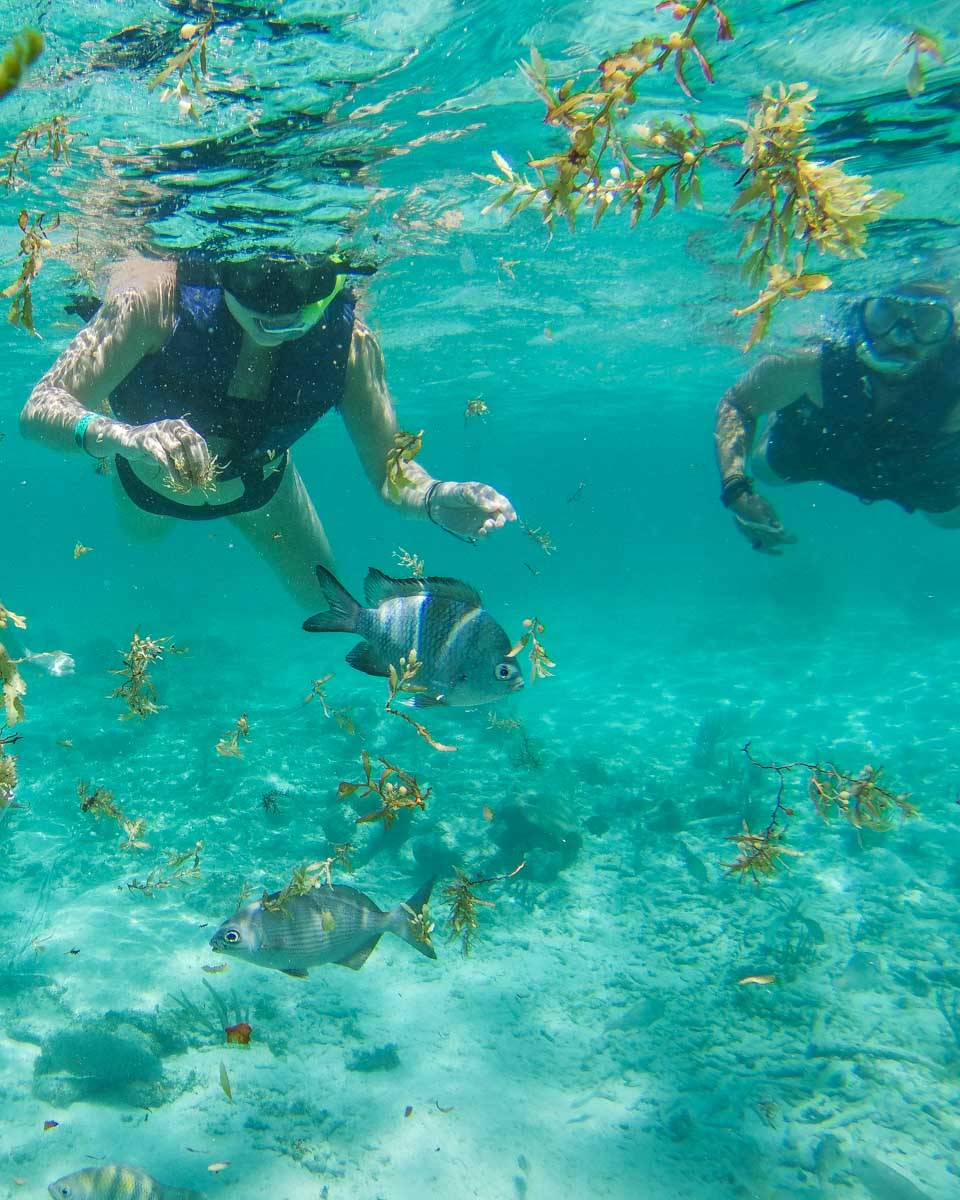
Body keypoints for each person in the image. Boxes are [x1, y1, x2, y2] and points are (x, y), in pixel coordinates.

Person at [20, 253, 516, 606]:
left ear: (337, 277)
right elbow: (40, 408)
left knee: (325, 607)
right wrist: (122, 437)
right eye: (256, 279)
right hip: (143, 484)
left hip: (264, 488)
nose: (279, 306)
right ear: (220, 266)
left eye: (309, 282)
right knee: (141, 547)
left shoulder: (352, 346)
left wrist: (432, 496)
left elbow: (393, 473)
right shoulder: (152, 300)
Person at [714, 281, 960, 554]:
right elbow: (737, 404)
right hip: (820, 445)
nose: (899, 337)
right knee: (765, 470)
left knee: (949, 520)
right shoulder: (810, 362)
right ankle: (787, 409)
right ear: (862, 312)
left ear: (949, 332)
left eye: (927, 320)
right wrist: (736, 489)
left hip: (923, 467)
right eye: (885, 312)